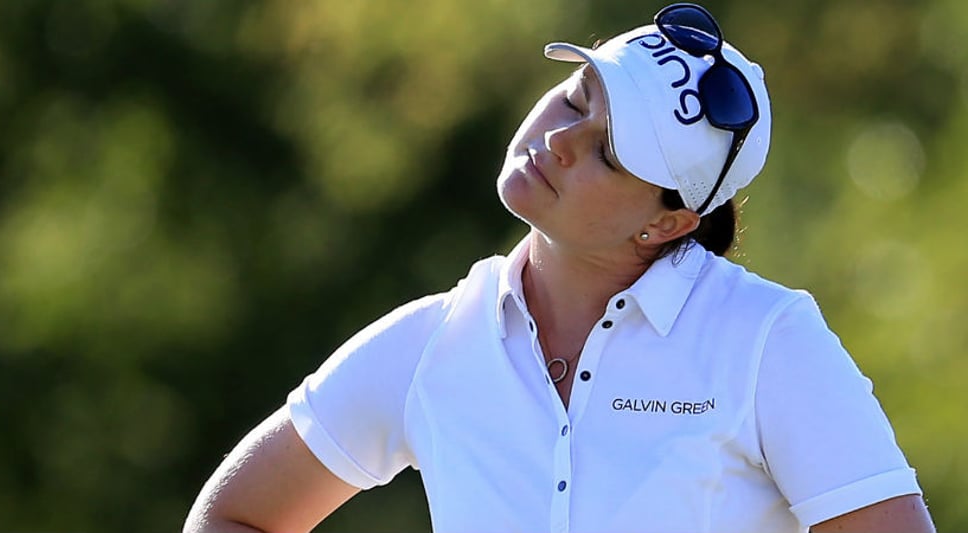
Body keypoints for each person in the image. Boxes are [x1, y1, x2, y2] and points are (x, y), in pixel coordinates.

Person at [184, 4, 937, 532]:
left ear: (668, 222)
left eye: (609, 152)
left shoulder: (769, 342)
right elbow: (234, 516)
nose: (560, 139)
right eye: (577, 95)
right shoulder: (436, 340)